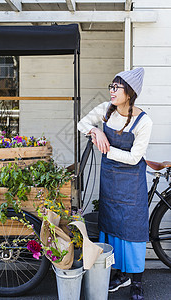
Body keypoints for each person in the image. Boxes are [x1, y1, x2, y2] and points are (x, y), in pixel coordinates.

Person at [77, 68, 152, 300]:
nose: (111, 91)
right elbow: (82, 123)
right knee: (111, 225)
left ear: (129, 93)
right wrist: (95, 131)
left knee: (132, 229)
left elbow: (134, 158)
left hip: (132, 182)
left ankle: (136, 281)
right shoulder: (105, 111)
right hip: (110, 181)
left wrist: (107, 148)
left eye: (116, 87)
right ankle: (119, 274)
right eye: (111, 86)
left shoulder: (143, 121)